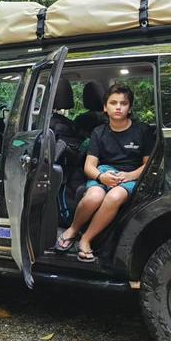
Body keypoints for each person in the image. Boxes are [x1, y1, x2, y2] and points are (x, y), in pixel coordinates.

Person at [55, 84, 153, 262]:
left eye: (123, 103)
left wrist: (128, 176)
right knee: (93, 197)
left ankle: (86, 239)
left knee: (114, 197)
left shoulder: (142, 130)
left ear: (130, 108)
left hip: (131, 175)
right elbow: (89, 166)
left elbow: (148, 165)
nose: (118, 107)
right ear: (105, 107)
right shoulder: (99, 132)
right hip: (104, 173)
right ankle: (73, 230)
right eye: (113, 103)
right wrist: (102, 177)